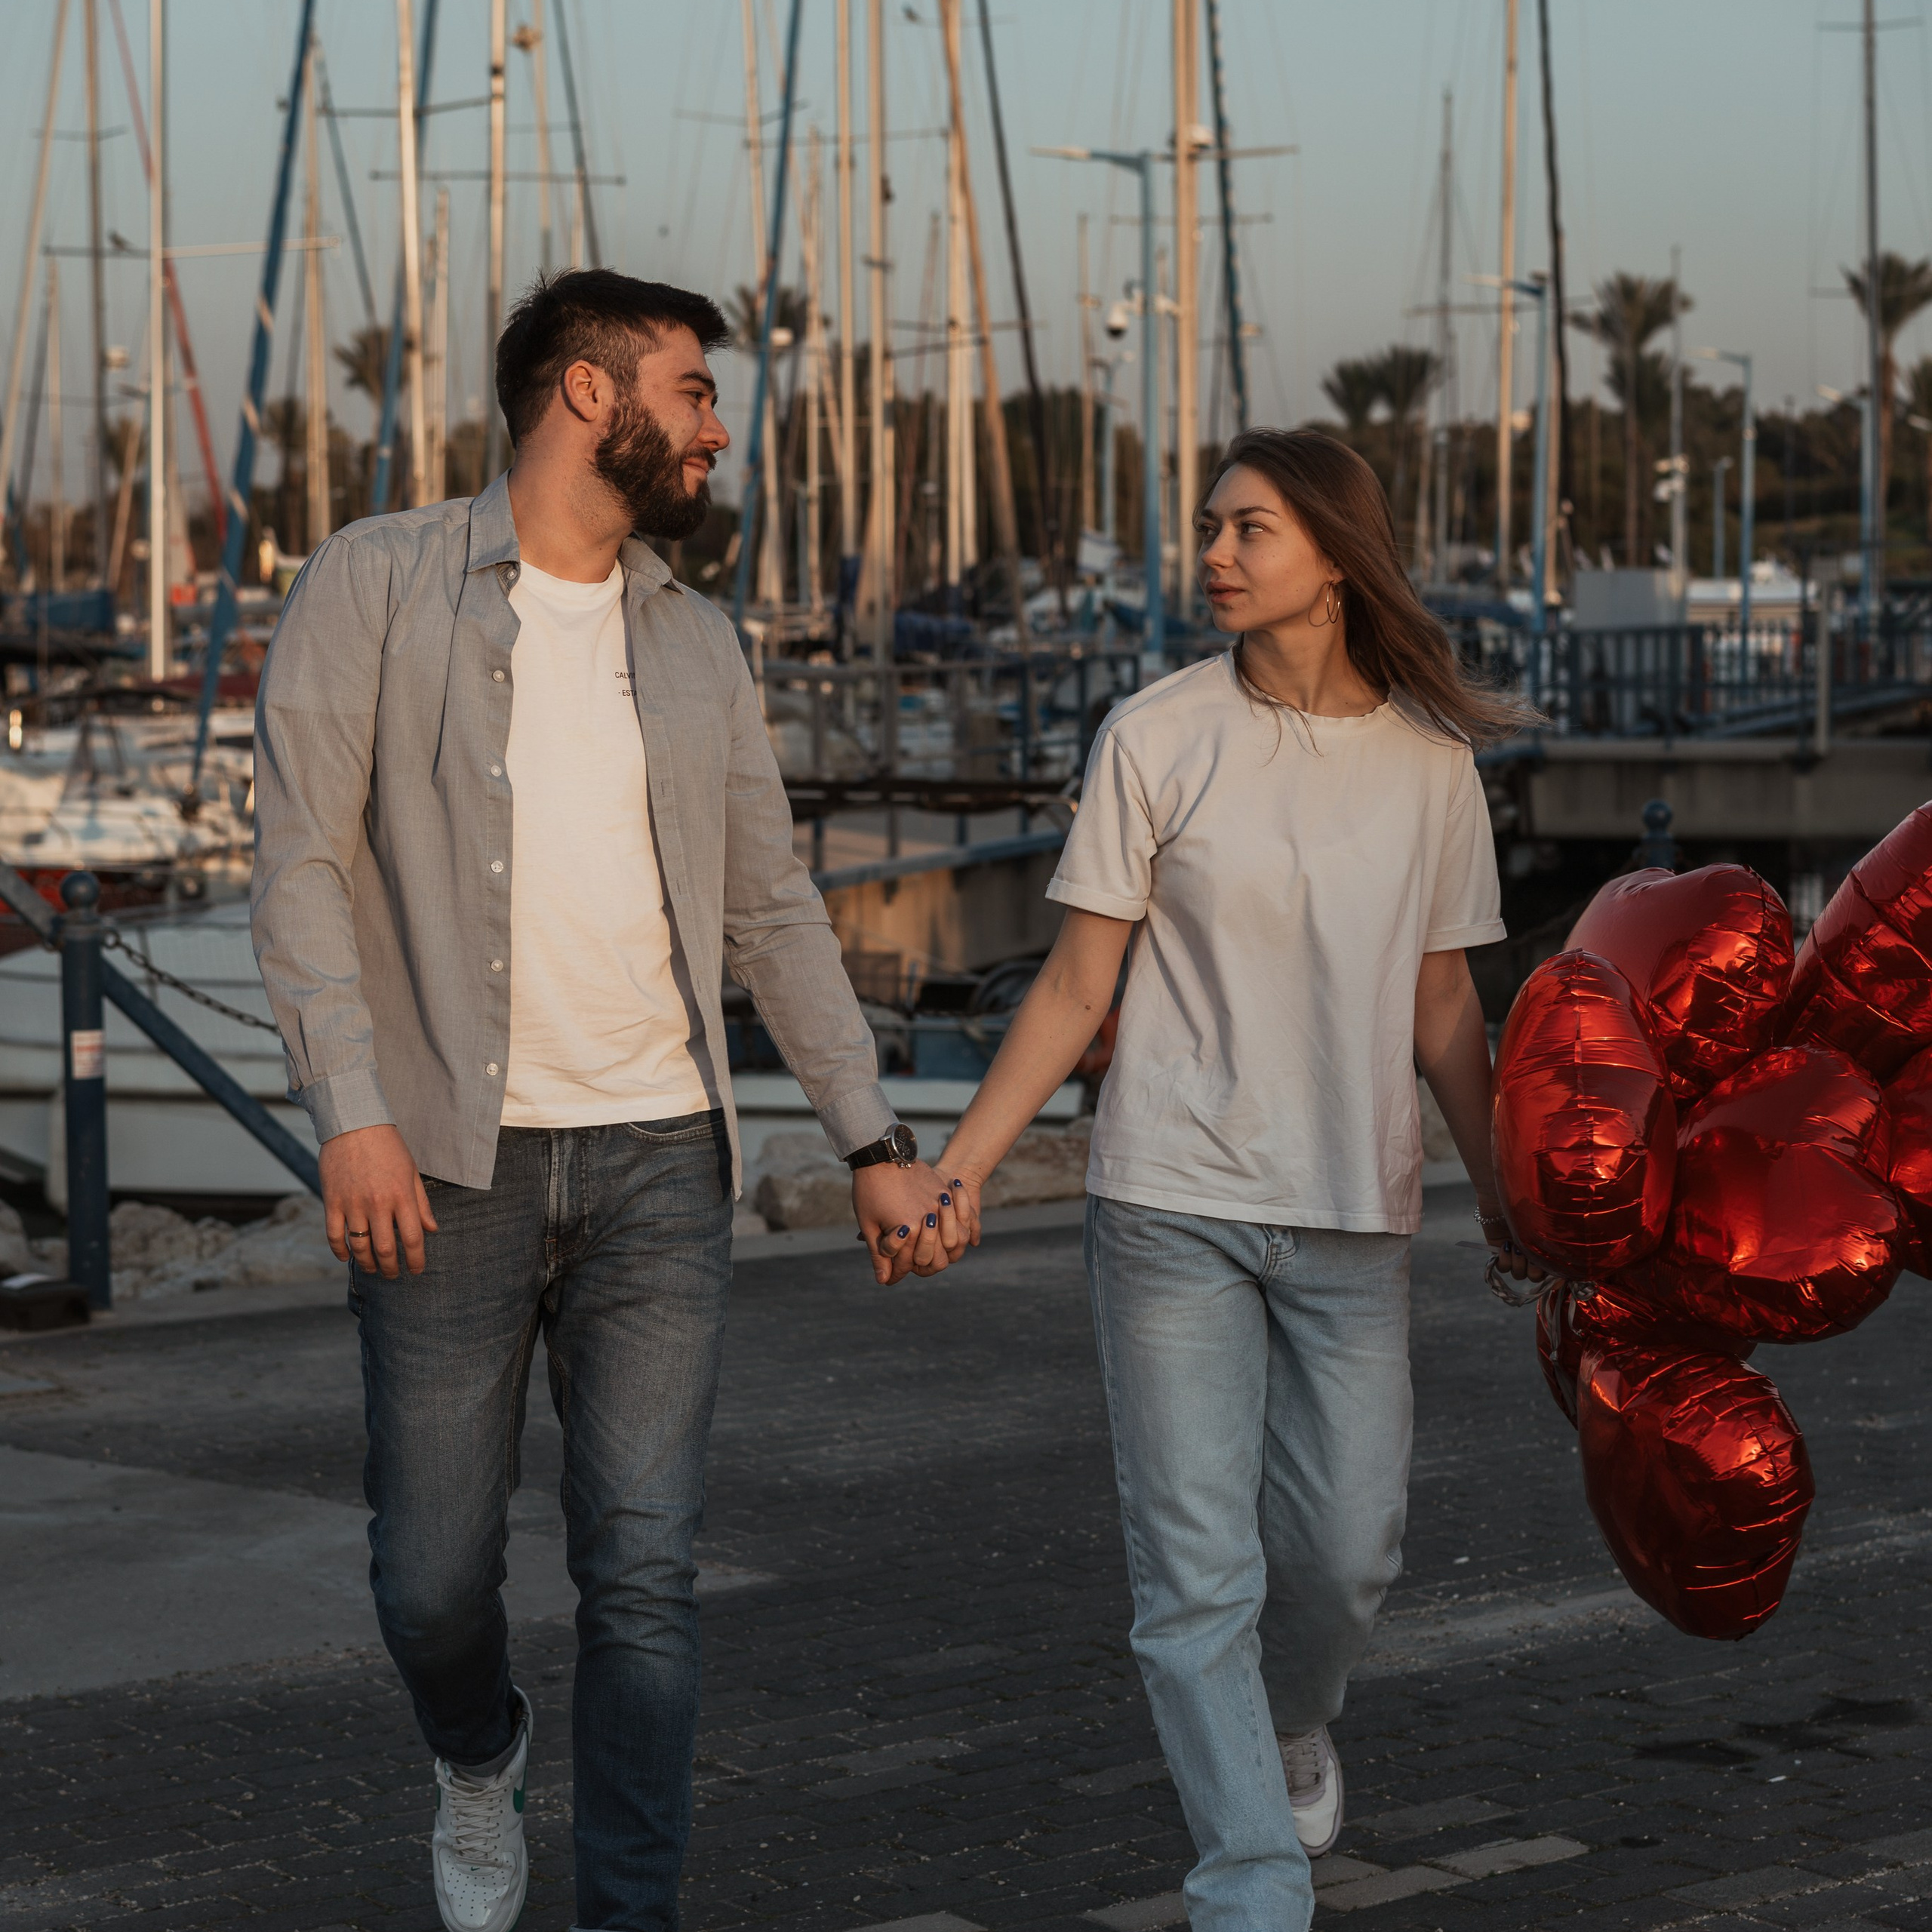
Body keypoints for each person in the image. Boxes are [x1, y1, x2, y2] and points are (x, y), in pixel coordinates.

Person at [251, 269, 964, 1932]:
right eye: (693, 391)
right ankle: (476, 1747)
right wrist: (347, 1105)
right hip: (443, 1159)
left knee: (641, 1573)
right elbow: (297, 860)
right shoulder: (378, 583)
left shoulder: (694, 638)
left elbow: (770, 909)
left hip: (660, 1159)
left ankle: (625, 1911)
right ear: (589, 394)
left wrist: (866, 1138)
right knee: (432, 1578)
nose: (717, 425)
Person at [937, 428, 1537, 1930]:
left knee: (1346, 1550)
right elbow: (1079, 986)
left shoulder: (1428, 765)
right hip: (1168, 1198)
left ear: (1332, 556)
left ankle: (1290, 1715)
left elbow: (1446, 1007)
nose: (1210, 553)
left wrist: (1510, 1198)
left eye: (1245, 528)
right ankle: (1249, 1881)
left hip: (1352, 1205)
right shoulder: (1153, 732)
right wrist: (957, 1169)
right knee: (1193, 1573)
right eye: (1206, 526)